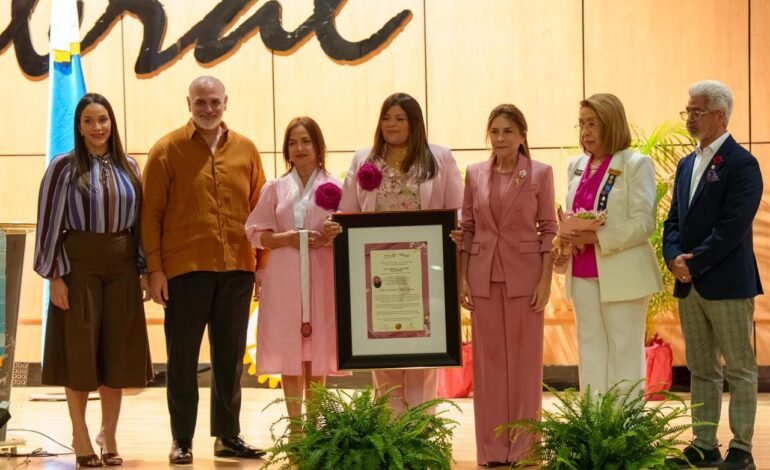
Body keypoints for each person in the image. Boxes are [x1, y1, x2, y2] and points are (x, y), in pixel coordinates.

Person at [142, 76, 267, 464]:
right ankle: (182, 439)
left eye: (214, 101)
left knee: (230, 358)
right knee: (182, 360)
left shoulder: (246, 150)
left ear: (226, 101)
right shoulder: (166, 150)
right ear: (189, 103)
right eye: (201, 102)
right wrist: (155, 270)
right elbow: (150, 215)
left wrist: (261, 267)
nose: (208, 109)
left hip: (238, 269)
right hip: (185, 271)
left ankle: (227, 436)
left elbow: (261, 211)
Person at [34, 92, 153, 468]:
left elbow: (139, 224)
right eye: (88, 120)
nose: (97, 127)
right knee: (80, 354)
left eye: (102, 119)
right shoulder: (63, 167)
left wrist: (144, 269)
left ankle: (109, 435)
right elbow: (49, 222)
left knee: (117, 354)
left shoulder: (129, 166)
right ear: (79, 126)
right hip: (79, 267)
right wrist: (54, 276)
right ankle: (80, 435)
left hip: (122, 268)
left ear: (111, 123)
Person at [332, 92, 463, 414]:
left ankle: (421, 427)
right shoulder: (363, 159)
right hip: (377, 271)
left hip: (425, 271)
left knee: (424, 348)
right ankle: (389, 430)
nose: (391, 124)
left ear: (414, 123)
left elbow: (457, 210)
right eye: (386, 118)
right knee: (382, 348)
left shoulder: (439, 157)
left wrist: (457, 236)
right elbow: (347, 212)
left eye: (400, 118)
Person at [664, 80, 762, 470]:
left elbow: (733, 227)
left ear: (720, 116)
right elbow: (673, 220)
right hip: (689, 284)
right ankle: (704, 444)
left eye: (697, 111)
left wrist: (695, 262)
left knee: (739, 368)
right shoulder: (686, 164)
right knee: (702, 368)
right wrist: (673, 257)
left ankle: (741, 448)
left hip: (727, 284)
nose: (689, 118)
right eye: (687, 111)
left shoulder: (742, 164)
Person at [458, 104, 556, 467]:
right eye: (495, 131)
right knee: (488, 368)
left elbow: (549, 229)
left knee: (525, 368)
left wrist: (545, 280)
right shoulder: (474, 173)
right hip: (483, 277)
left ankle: (526, 450)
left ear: (522, 136)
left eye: (508, 132)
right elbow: (467, 228)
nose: (500, 138)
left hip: (525, 278)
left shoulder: (539, 173)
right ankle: (492, 451)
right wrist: (462, 278)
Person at [244, 116, 347, 432]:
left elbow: (349, 230)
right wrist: (286, 238)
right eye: (293, 142)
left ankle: (314, 427)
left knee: (316, 351)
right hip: (285, 276)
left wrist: (331, 233)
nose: (299, 148)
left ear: (318, 146)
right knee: (290, 350)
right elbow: (255, 233)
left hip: (322, 274)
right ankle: (296, 428)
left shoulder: (336, 187)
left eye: (306, 141)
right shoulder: (275, 188)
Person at [556, 93, 662, 395]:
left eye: (593, 124)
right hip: (582, 270)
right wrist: (567, 235)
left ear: (611, 124)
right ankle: (595, 419)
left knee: (624, 348)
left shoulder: (635, 164)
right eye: (581, 124)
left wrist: (597, 237)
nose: (585, 132)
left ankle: (624, 421)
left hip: (623, 273)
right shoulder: (576, 165)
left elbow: (644, 222)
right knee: (589, 347)